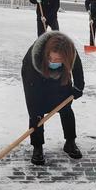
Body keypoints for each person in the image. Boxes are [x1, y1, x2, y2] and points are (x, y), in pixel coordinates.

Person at [21, 32, 84, 164]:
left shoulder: (70, 52)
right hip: (37, 80)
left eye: (58, 60)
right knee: (36, 114)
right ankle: (37, 147)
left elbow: (77, 68)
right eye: (51, 59)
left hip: (61, 79)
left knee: (66, 109)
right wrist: (34, 110)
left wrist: (78, 87)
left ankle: (70, 142)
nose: (54, 62)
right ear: (46, 54)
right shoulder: (33, 60)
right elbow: (31, 93)